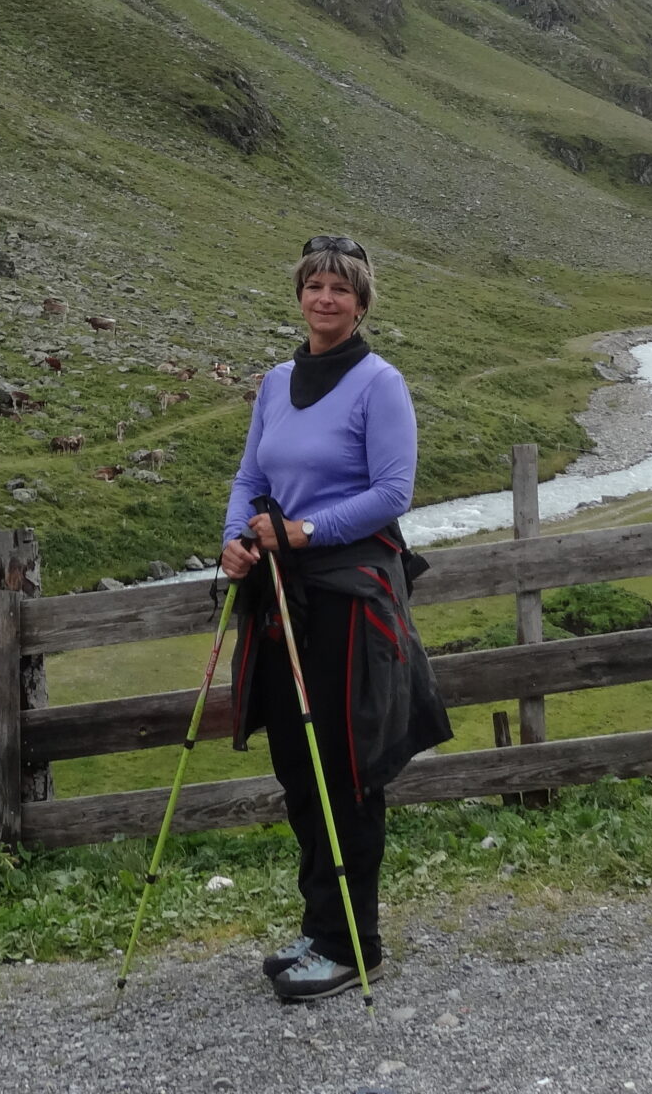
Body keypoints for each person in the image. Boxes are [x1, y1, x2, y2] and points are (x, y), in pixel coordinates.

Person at [221, 236, 450, 1003]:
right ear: (300, 296)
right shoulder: (275, 381)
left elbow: (392, 492)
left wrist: (304, 531)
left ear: (360, 304)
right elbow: (250, 476)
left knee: (343, 767)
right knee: (297, 765)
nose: (325, 298)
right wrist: (236, 538)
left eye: (340, 289)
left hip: (349, 600)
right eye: (314, 285)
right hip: (283, 595)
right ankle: (323, 926)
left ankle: (357, 944)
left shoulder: (379, 384)